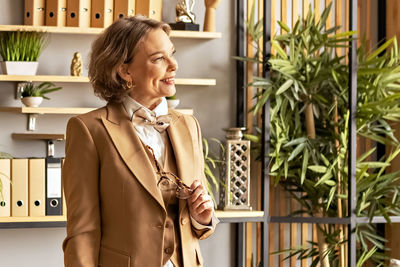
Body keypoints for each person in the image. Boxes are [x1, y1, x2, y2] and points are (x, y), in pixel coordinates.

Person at [62, 15, 218, 267]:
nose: (174, 65)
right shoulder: (89, 130)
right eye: (159, 58)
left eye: (172, 54)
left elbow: (195, 225)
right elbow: (82, 232)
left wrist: (203, 217)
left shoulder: (189, 126)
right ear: (124, 70)